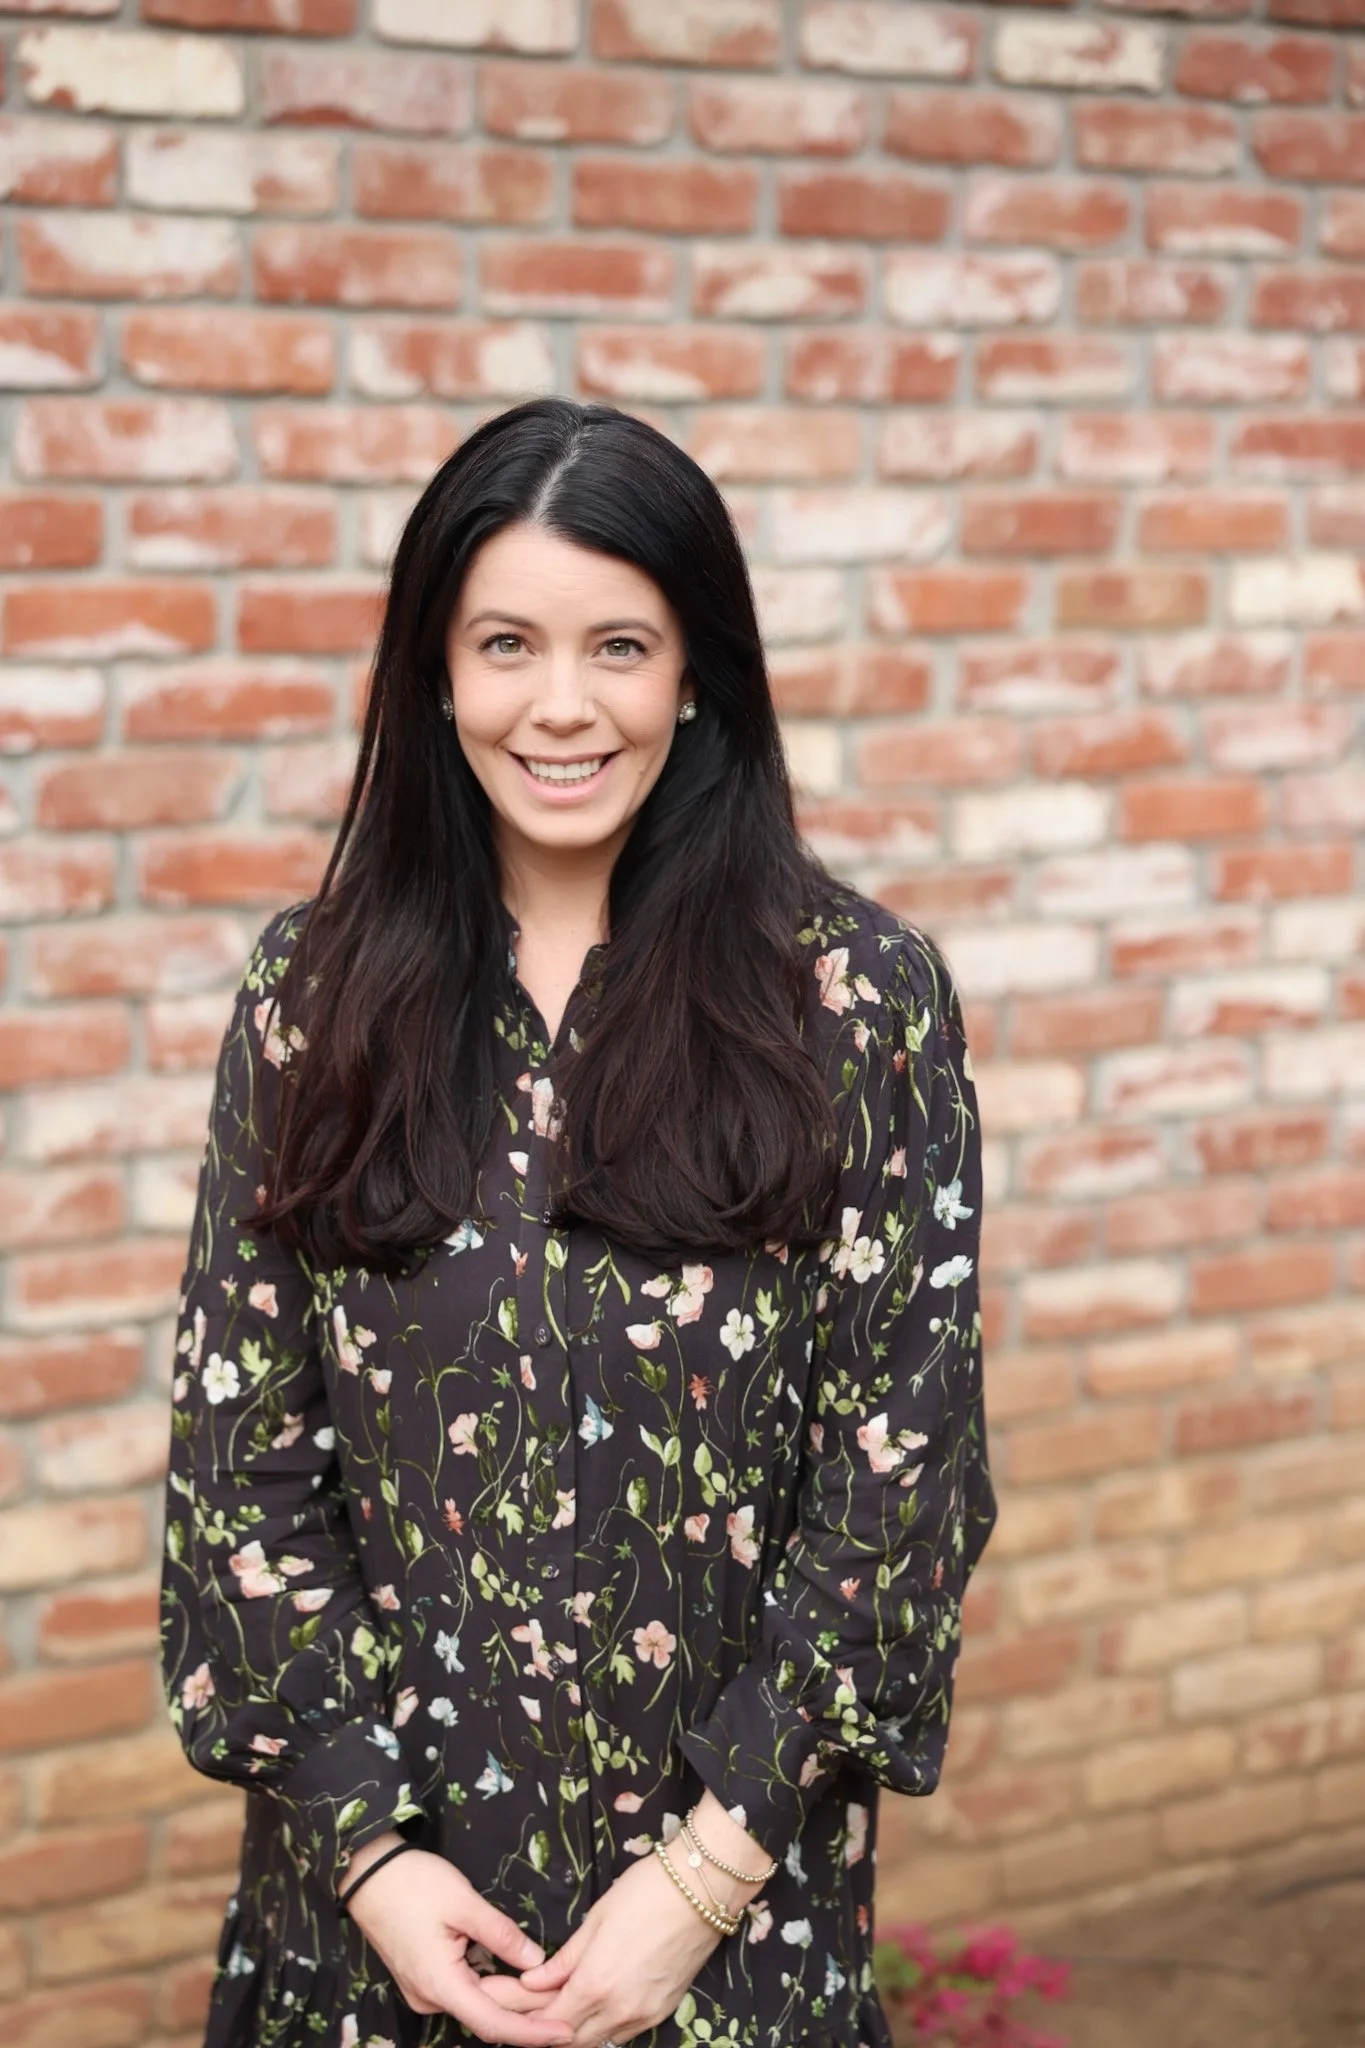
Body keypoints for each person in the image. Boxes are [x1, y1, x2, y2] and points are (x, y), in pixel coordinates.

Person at [159, 397, 996, 2048]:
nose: (561, 705)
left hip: (733, 1944)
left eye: (620, 643)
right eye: (506, 644)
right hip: (367, 1944)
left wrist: (698, 1883)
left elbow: (901, 1487)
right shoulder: (311, 999)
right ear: (435, 673)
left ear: (698, 675)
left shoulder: (856, 1004)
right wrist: (372, 1857)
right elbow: (240, 1468)